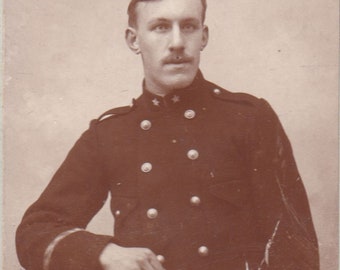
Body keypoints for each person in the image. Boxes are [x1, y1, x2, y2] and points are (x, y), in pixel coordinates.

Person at [16, 0, 320, 269]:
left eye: (188, 26)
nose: (177, 42)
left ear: (204, 37)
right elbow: (35, 231)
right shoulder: (109, 134)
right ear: (134, 40)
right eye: (160, 27)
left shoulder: (249, 119)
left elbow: (294, 248)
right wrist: (103, 252)